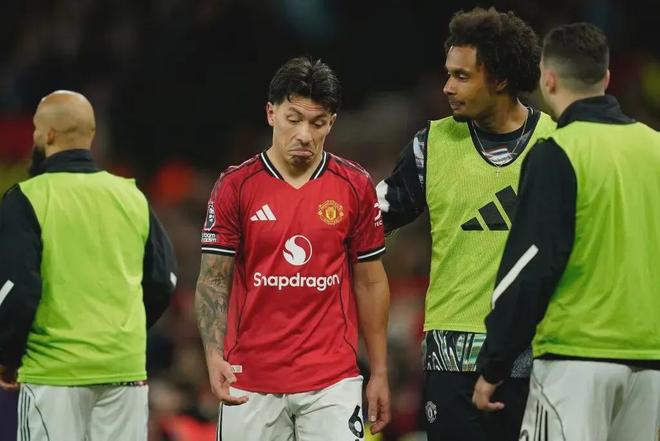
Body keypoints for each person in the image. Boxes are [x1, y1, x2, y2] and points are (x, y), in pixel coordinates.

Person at [472, 22, 660, 441]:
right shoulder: (656, 148)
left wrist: (494, 362)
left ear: (548, 79)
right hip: (651, 364)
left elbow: (530, 265)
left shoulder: (558, 152)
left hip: (575, 360)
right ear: (606, 78)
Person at [376, 7, 556, 441]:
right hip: (451, 360)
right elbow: (368, 222)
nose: (447, 87)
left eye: (462, 76)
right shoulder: (429, 146)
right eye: (448, 74)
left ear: (500, 79)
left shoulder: (559, 143)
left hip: (539, 355)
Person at [196, 56, 391, 441]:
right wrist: (213, 355)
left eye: (318, 123)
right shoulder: (235, 187)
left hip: (331, 382)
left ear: (331, 123)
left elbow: (370, 282)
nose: (304, 134)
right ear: (271, 113)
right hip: (249, 379)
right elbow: (213, 280)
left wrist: (380, 372)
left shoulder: (355, 185)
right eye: (293, 119)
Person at [0, 90, 178, 441]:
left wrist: (8, 356)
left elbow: (19, 290)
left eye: (36, 129)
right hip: (123, 372)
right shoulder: (131, 196)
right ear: (91, 135)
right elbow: (164, 280)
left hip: (54, 373)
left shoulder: (28, 198)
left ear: (48, 134)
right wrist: (119, 334)